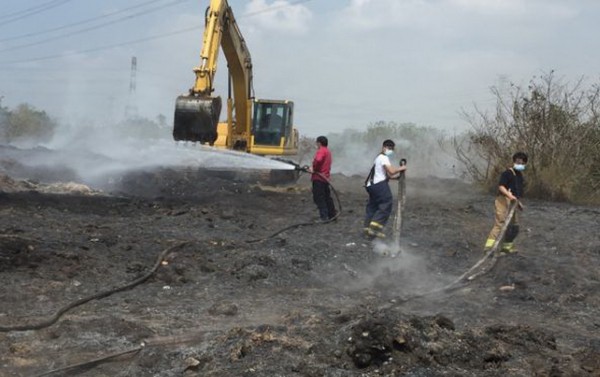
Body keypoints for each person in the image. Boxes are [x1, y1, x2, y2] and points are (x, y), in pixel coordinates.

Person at [484, 152, 528, 253]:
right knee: (500, 223)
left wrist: (518, 203)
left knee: (514, 226)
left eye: (521, 163)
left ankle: (507, 247)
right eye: (517, 162)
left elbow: (517, 192)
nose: (519, 164)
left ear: (524, 164)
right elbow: (501, 186)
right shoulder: (507, 173)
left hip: (514, 202)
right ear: (514, 161)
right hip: (503, 200)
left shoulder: (520, 176)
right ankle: (489, 247)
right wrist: (510, 196)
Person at [363, 139, 407, 238]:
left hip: (371, 185)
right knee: (386, 203)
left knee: (373, 206)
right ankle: (375, 230)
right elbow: (391, 171)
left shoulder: (378, 158)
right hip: (379, 185)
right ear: (384, 147)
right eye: (389, 148)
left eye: (392, 149)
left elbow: (383, 174)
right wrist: (402, 168)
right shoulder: (383, 157)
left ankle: (367, 228)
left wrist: (396, 178)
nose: (390, 150)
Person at [308, 136, 336, 221]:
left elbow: (318, 160)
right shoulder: (328, 151)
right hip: (325, 178)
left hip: (318, 178)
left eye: (316, 142)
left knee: (319, 198)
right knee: (327, 197)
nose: (316, 144)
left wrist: (313, 169)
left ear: (319, 143)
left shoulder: (321, 151)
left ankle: (324, 217)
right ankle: (332, 215)